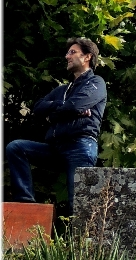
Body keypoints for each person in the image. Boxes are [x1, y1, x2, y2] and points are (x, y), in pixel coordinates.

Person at [6, 38, 107, 214]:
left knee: (77, 204)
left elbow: (75, 106)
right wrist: (62, 106)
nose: (67, 56)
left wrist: (59, 110)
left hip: (80, 147)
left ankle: (79, 240)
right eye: (68, 52)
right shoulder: (63, 90)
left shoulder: (96, 83)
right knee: (16, 147)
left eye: (73, 52)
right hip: (56, 147)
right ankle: (26, 204)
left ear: (87, 57)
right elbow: (38, 107)